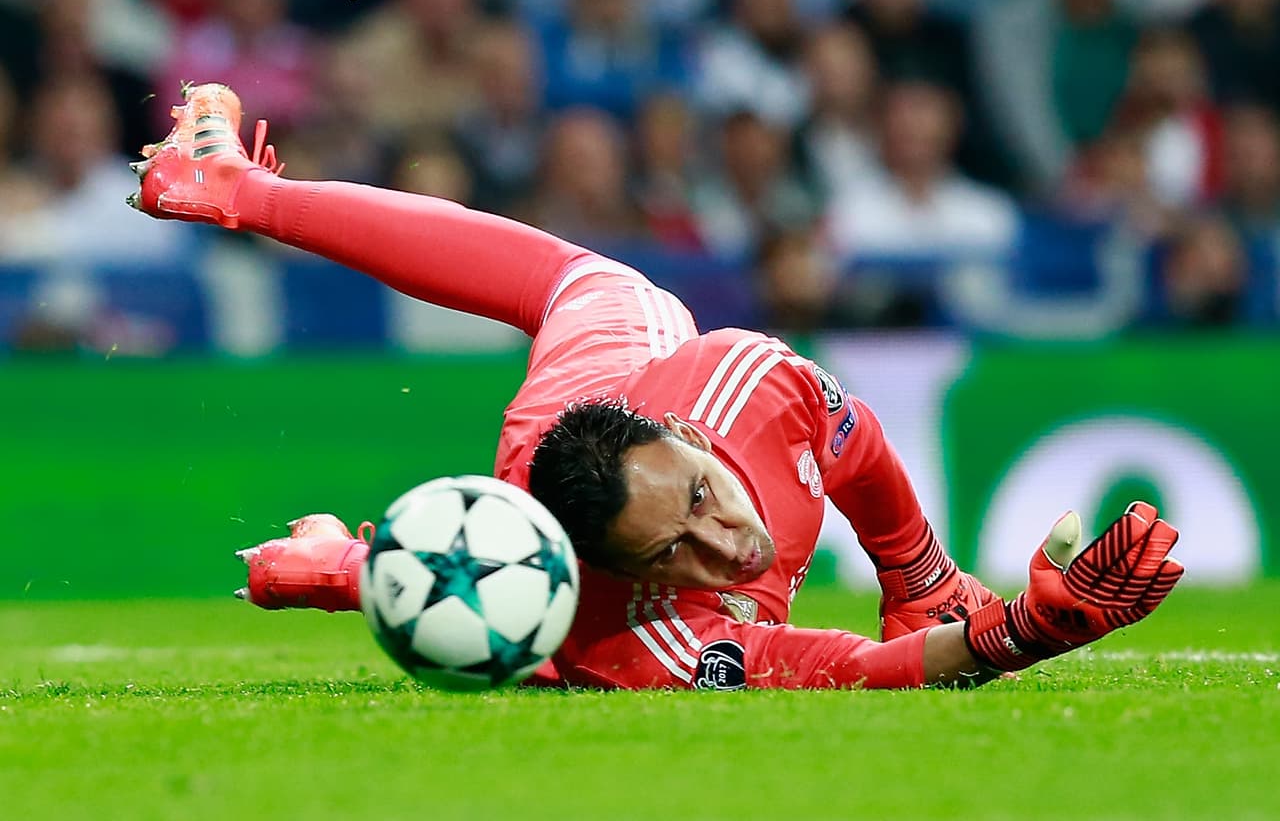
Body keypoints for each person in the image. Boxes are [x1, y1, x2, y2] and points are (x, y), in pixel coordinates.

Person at [127, 84, 1185, 690]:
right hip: (554, 566)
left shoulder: (748, 380)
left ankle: (239, 191)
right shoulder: (650, 636)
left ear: (678, 434)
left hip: (592, 390)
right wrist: (1021, 635)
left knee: (589, 277)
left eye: (696, 499)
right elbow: (863, 672)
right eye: (672, 552)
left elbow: (851, 444)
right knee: (523, 655)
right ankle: (346, 566)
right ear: (618, 567)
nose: (726, 545)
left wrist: (917, 572)